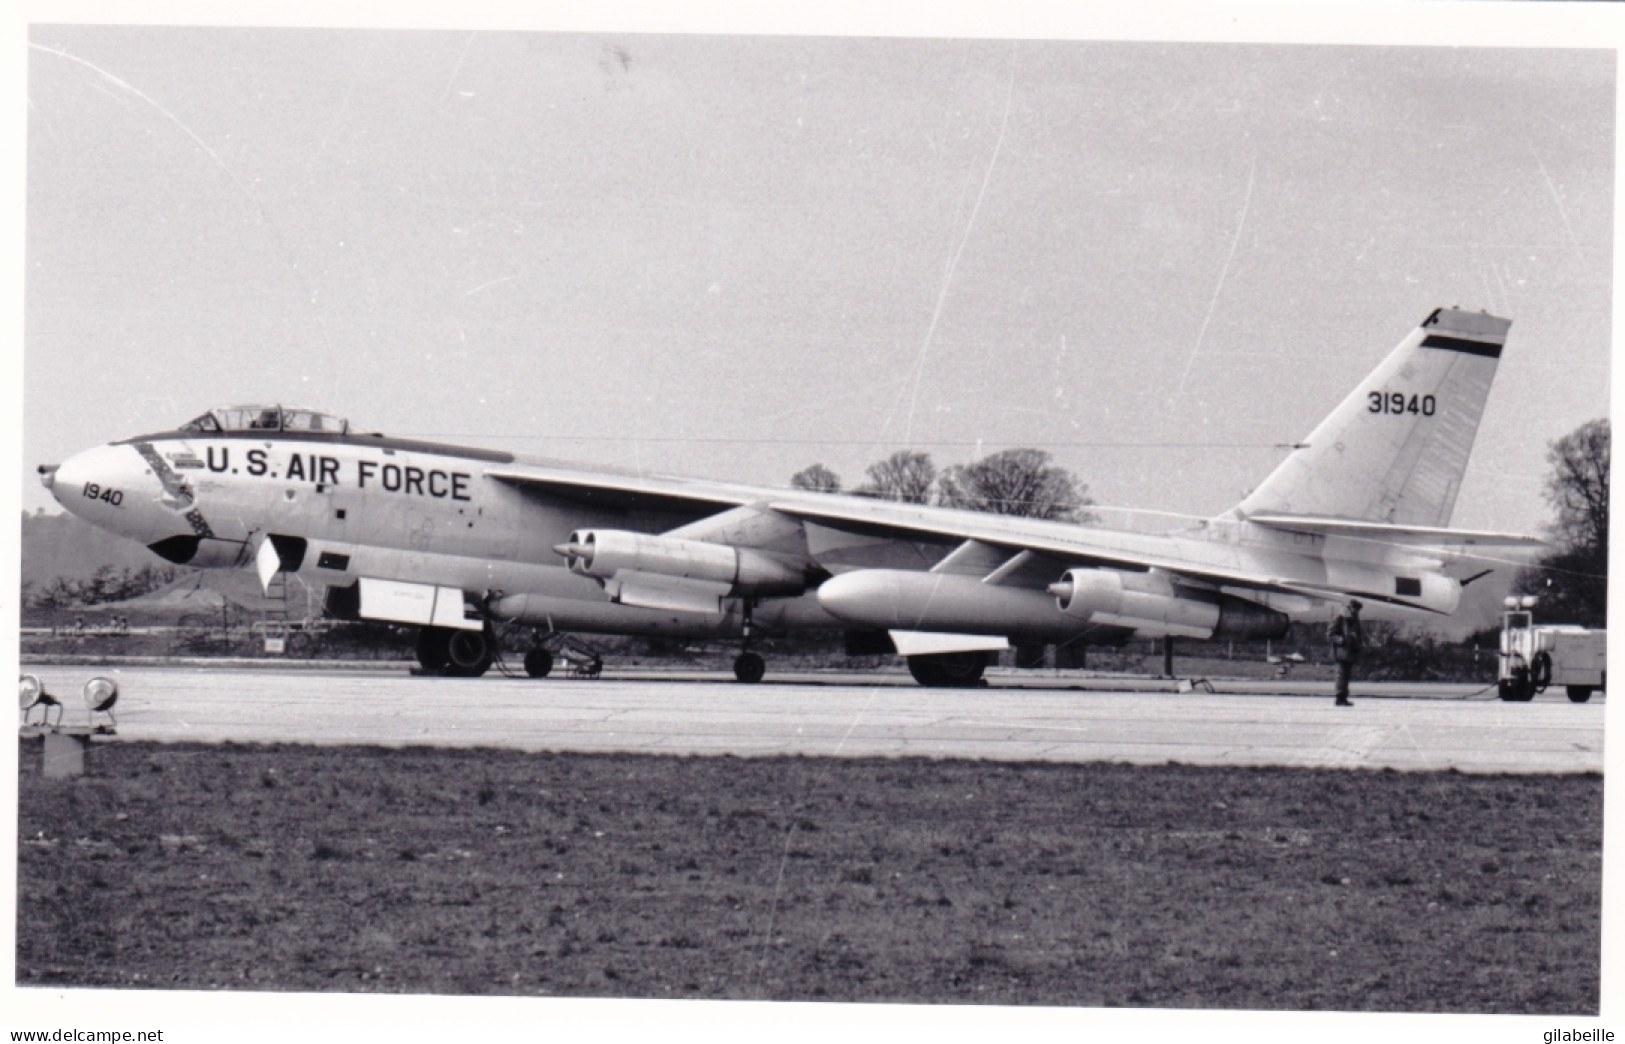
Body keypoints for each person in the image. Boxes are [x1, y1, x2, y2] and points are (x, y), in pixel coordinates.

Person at [1328, 600, 1363, 706]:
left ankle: (1343, 697)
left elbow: (1358, 634)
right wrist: (1341, 640)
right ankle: (1340, 698)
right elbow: (1330, 634)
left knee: (1346, 676)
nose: (1357, 612)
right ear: (1350, 608)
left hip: (1350, 652)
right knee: (1341, 676)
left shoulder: (1355, 619)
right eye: (1355, 609)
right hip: (1341, 652)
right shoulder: (1339, 618)